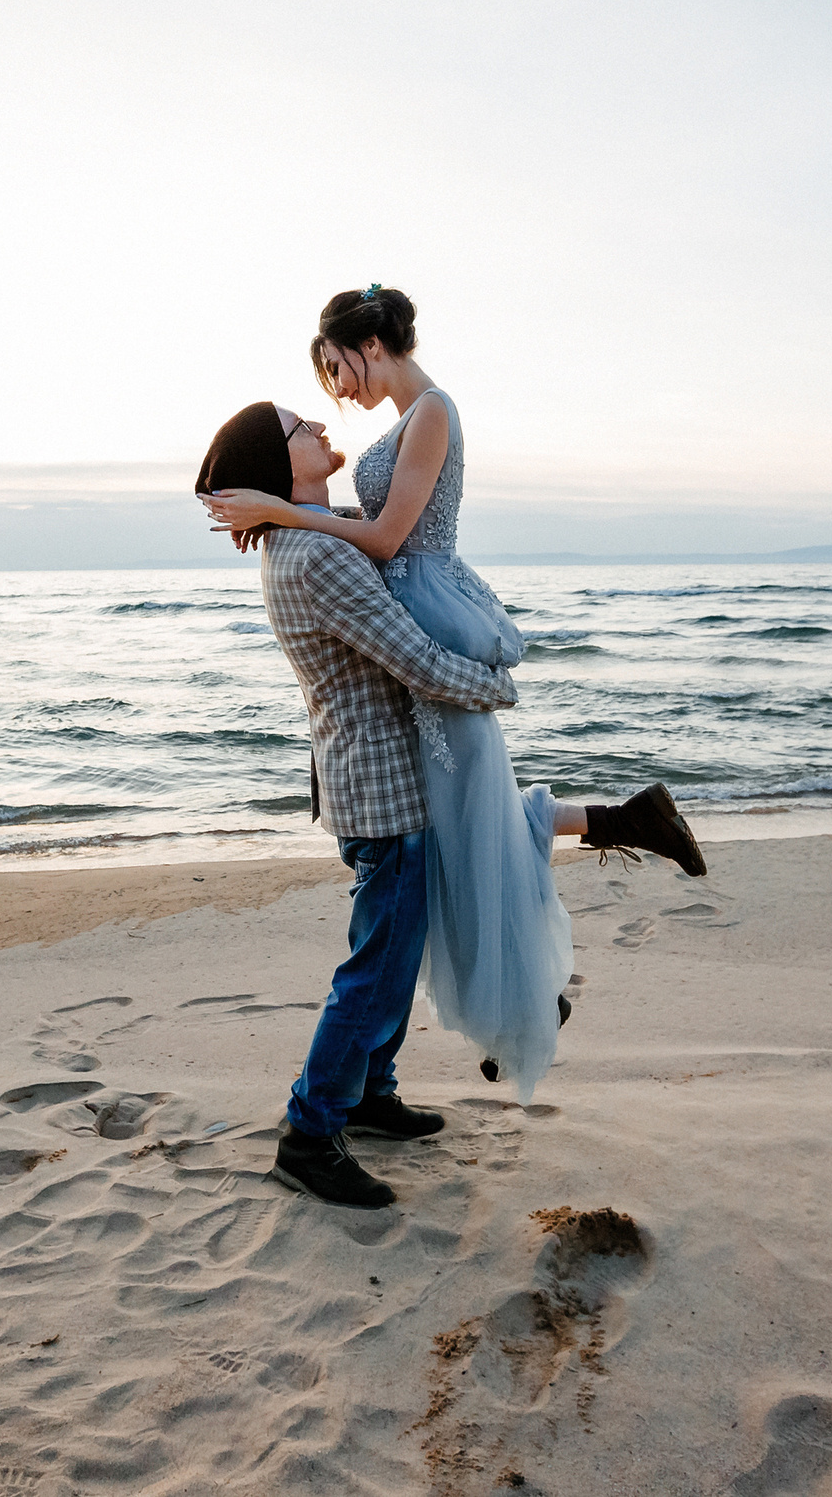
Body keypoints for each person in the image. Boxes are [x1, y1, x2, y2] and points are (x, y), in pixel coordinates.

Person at [204, 287, 705, 1101]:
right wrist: (284, 511)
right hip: (415, 614)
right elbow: (370, 543)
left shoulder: (431, 410)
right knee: (476, 819)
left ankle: (526, 986)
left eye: (338, 368)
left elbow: (385, 539)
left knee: (476, 822)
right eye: (325, 384)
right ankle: (611, 848)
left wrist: (281, 511)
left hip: (428, 607)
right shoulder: (397, 433)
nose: (339, 393)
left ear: (370, 340)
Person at [196, 398, 513, 1210]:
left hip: (361, 776)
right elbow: (410, 657)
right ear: (280, 460)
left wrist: (268, 505)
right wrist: (494, 686)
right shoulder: (315, 556)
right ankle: (310, 1131)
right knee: (375, 966)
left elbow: (366, 527)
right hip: (382, 787)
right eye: (304, 429)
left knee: (392, 953)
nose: (322, 431)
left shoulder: (300, 537)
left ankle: (370, 1092)